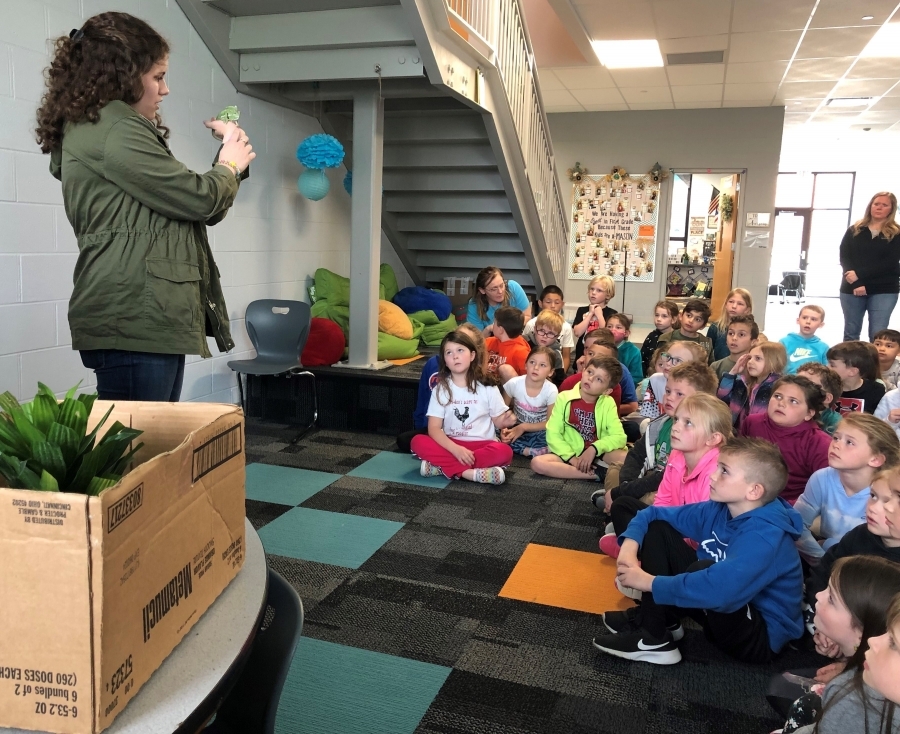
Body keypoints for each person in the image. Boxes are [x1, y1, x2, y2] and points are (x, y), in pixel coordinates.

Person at [36, 12, 255, 401]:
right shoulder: (113, 127)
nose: (165, 90)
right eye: (158, 77)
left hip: (146, 315)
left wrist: (229, 166)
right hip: (134, 313)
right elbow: (202, 198)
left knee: (152, 451)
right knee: (140, 456)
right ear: (121, 75)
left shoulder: (107, 125)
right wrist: (229, 165)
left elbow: (196, 206)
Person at [593, 437, 804, 665]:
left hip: (759, 638)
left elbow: (721, 591)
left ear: (753, 491)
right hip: (723, 605)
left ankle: (653, 635)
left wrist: (649, 582)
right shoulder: (719, 508)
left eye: (724, 471)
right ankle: (660, 621)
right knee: (644, 517)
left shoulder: (765, 536)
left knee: (702, 569)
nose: (713, 475)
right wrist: (629, 547)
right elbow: (652, 514)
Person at [601, 392, 732, 559]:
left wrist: (661, 534)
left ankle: (640, 554)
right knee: (622, 505)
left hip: (699, 551)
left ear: (713, 439)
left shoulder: (715, 474)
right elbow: (662, 502)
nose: (676, 427)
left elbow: (702, 532)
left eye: (688, 423)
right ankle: (638, 550)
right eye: (677, 419)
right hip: (674, 527)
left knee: (657, 530)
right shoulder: (677, 455)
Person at [777, 558, 900, 734]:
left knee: (786, 692)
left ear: (862, 630)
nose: (819, 595)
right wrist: (843, 658)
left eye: (832, 599)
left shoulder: (851, 703)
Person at [596, 361, 719, 513]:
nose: (670, 397)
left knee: (651, 498)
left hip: (672, 489)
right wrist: (627, 486)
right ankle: (619, 510)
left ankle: (618, 511)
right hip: (651, 478)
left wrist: (624, 492)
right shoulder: (659, 424)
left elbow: (667, 477)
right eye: (668, 391)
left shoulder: (698, 434)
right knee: (616, 469)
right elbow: (637, 455)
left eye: (679, 394)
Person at [411, 330, 516, 484]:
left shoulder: (487, 386)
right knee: (417, 442)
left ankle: (441, 468)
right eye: (449, 352)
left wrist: (505, 421)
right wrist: (456, 450)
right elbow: (434, 429)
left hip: (482, 445)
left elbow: (497, 421)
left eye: (460, 350)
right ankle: (470, 474)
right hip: (451, 444)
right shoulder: (441, 389)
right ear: (444, 361)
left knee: (505, 452)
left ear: (472, 355)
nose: (455, 356)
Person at [794, 413, 900, 564]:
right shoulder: (821, 478)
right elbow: (797, 524)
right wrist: (823, 559)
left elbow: (883, 550)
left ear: (875, 459)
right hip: (826, 560)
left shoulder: (887, 494)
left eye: (849, 442)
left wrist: (829, 544)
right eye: (836, 438)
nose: (836, 444)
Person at [531, 356, 628, 480]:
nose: (591, 378)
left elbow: (619, 437)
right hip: (570, 452)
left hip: (599, 453)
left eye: (599, 379)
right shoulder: (563, 398)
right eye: (589, 372)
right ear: (584, 371)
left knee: (630, 459)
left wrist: (594, 448)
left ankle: (597, 469)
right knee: (537, 463)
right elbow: (553, 433)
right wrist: (572, 459)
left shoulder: (608, 403)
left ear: (607, 391)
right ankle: (596, 475)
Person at [739, 375, 831, 505]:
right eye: (777, 396)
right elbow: (740, 462)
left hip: (791, 507)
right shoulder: (752, 422)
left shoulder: (819, 443)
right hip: (747, 495)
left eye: (793, 401)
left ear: (809, 414)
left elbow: (825, 491)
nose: (781, 403)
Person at [397, 322, 487, 453]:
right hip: (434, 428)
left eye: (463, 345)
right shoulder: (433, 363)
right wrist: (421, 426)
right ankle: (453, 455)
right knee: (407, 440)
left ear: (473, 352)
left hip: (464, 432)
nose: (458, 345)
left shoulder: (477, 374)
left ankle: (449, 458)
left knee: (499, 451)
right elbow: (422, 398)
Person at [839, 191, 900, 342]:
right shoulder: (855, 230)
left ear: (891, 209)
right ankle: (850, 365)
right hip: (852, 287)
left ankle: (873, 366)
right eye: (876, 204)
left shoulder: (896, 233)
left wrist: (859, 275)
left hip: (883, 289)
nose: (879, 207)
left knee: (877, 334)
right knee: (851, 333)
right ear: (870, 206)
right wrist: (857, 282)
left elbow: (890, 263)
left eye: (884, 205)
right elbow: (845, 257)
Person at [500, 346, 558, 457]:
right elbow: (502, 412)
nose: (536, 367)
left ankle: (521, 449)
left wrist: (524, 427)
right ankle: (529, 450)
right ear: (525, 365)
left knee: (553, 434)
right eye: (532, 362)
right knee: (492, 428)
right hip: (515, 425)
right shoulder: (514, 383)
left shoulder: (551, 390)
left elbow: (549, 423)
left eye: (542, 365)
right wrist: (504, 429)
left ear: (550, 372)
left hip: (538, 429)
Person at [717, 342, 788, 430]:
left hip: (760, 439)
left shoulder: (778, 388)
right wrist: (733, 372)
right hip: (738, 436)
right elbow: (722, 398)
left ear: (774, 361)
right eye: (749, 358)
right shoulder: (742, 382)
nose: (750, 362)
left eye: (757, 358)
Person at [634, 342, 707, 420]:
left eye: (678, 360)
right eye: (668, 356)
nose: (668, 363)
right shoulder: (655, 380)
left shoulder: (697, 387)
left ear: (695, 367)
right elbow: (649, 416)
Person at [522, 286, 574, 372]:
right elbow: (523, 346)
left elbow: (566, 356)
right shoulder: (531, 324)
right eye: (548, 302)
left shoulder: (566, 327)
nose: (553, 306)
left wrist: (560, 374)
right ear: (540, 303)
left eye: (557, 303)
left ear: (562, 304)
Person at [465, 266, 532, 333]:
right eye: (494, 289)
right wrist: (488, 329)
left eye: (502, 285)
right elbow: (476, 338)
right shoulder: (474, 305)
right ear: (482, 290)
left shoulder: (513, 287)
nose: (500, 291)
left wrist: (502, 327)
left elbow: (527, 316)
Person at [828, 341, 886, 415]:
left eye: (832, 365)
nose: (827, 367)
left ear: (852, 371)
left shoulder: (876, 390)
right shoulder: (827, 388)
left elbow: (878, 420)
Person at [572, 275, 617, 361]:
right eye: (592, 289)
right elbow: (577, 332)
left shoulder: (612, 313)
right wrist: (590, 314)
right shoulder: (582, 310)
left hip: (601, 355)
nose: (593, 292)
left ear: (608, 295)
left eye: (599, 290)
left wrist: (599, 315)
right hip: (582, 351)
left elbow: (606, 336)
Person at [484, 306, 531, 384]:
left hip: (507, 391)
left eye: (494, 323)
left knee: (506, 370)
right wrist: (486, 330)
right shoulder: (490, 341)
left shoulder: (521, 352)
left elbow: (528, 381)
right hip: (486, 385)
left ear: (501, 330)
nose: (492, 326)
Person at [780, 305, 830, 375]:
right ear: (798, 320)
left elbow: (827, 371)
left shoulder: (824, 348)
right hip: (787, 381)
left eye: (813, 319)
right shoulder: (784, 342)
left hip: (811, 384)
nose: (808, 321)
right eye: (804, 318)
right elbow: (776, 367)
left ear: (821, 325)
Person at [706, 288, 753, 361]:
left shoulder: (751, 330)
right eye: (731, 302)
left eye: (740, 304)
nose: (734, 306)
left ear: (747, 309)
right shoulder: (715, 327)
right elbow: (707, 354)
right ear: (726, 305)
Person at [797, 363, 844, 435]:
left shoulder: (836, 424)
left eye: (807, 385)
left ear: (826, 398)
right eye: (796, 382)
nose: (795, 388)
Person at [709, 314, 758, 380]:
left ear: (753, 342)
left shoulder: (758, 366)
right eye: (731, 333)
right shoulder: (716, 366)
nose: (734, 338)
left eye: (741, 334)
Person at [524, 309, 566, 385]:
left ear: (557, 336)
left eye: (550, 333)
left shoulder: (556, 355)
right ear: (535, 329)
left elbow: (559, 380)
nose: (545, 336)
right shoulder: (523, 342)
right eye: (542, 331)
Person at [640, 300, 678, 376]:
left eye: (664, 316)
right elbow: (642, 359)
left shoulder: (676, 338)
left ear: (673, 319)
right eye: (657, 315)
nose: (659, 319)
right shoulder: (651, 336)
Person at [606, 313, 643, 381]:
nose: (612, 330)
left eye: (618, 327)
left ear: (626, 333)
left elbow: (636, 378)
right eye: (609, 326)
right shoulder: (601, 347)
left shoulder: (633, 352)